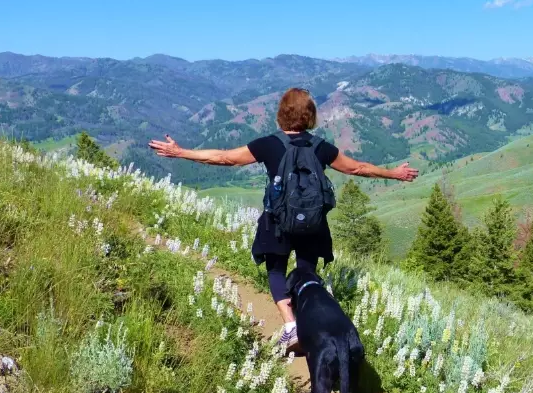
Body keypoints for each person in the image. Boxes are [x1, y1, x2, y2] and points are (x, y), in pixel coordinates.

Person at [149, 87, 418, 352]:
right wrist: (394, 174)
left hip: (277, 221)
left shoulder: (269, 144)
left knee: (276, 270)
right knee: (307, 273)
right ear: (309, 116)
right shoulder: (321, 147)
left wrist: (180, 152)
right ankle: (310, 326)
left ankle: (291, 327)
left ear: (281, 115)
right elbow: (358, 168)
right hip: (313, 224)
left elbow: (225, 158)